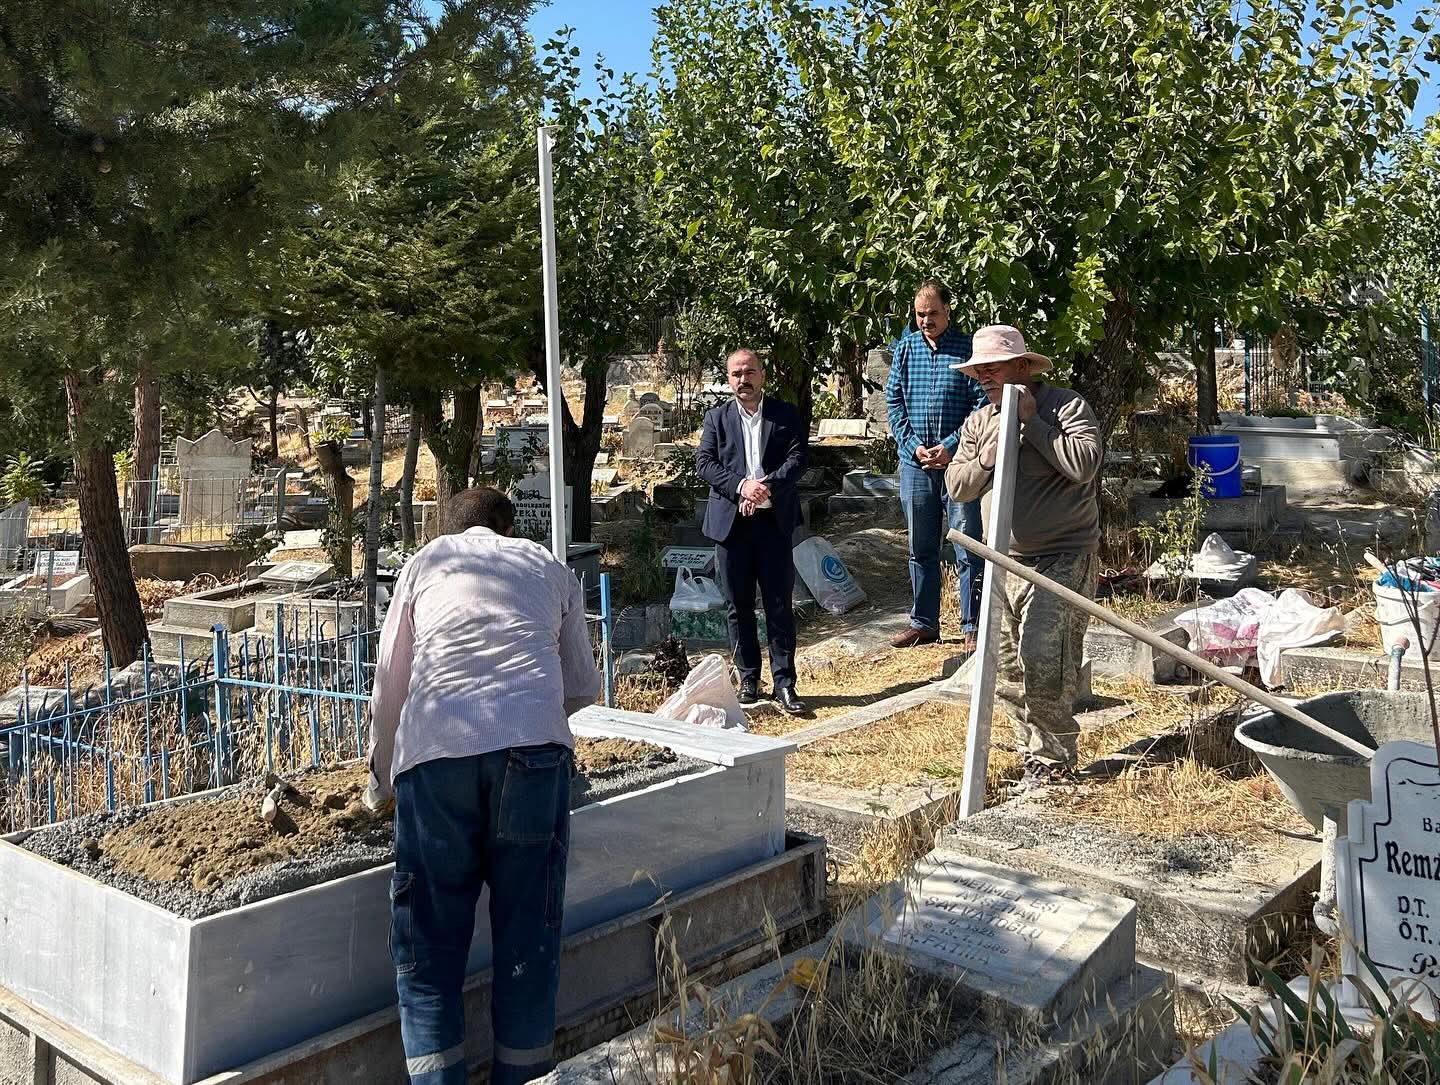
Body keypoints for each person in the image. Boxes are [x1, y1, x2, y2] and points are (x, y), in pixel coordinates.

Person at [364, 486, 601, 1085]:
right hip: (534, 758)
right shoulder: (547, 566)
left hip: (436, 758)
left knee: (429, 948)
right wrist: (529, 720)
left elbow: (390, 684)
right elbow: (581, 686)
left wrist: (379, 781)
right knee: (528, 941)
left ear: (449, 527)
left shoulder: (426, 563)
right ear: (506, 526)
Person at [944, 325, 1103, 791]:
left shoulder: (1066, 406)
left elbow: (1084, 465)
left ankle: (1053, 756)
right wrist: (988, 459)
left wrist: (1033, 425)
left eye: (992, 367)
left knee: (1044, 656)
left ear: (1022, 367)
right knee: (1009, 666)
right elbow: (958, 486)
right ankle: (1028, 749)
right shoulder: (979, 421)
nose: (983, 377)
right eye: (978, 370)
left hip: (1063, 556)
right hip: (1003, 560)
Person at [695, 348, 809, 714]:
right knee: (738, 605)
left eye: (750, 372)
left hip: (773, 523)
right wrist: (742, 486)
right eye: (736, 374)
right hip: (732, 526)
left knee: (778, 603)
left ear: (762, 374)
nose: (743, 380)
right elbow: (704, 463)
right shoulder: (717, 418)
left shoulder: (784, 415)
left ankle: (785, 683)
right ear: (728, 379)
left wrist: (766, 487)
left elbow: (798, 458)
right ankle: (748, 678)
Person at [885, 279, 989, 649]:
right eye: (919, 314)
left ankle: (972, 625)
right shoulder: (906, 348)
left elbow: (980, 404)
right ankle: (924, 622)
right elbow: (893, 402)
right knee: (920, 546)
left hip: (959, 462)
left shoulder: (967, 349)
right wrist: (913, 446)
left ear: (948, 311)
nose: (925, 320)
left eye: (932, 313)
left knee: (966, 542)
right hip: (915, 464)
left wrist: (949, 446)